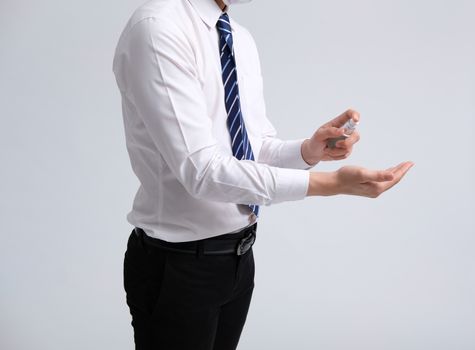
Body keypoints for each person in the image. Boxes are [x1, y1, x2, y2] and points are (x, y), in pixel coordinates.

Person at [111, 0, 413, 349]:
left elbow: (252, 148)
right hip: (178, 268)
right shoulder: (157, 28)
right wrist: (329, 185)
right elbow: (202, 171)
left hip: (238, 258)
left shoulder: (239, 38)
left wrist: (307, 151)